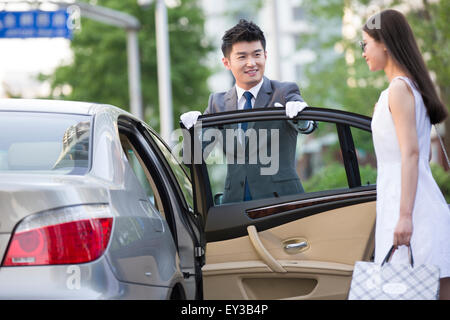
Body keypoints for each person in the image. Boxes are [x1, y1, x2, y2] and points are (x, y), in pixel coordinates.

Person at [361, 9, 450, 299]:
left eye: (365, 44)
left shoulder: (399, 90)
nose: (363, 52)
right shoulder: (406, 88)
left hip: (412, 211)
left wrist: (404, 217)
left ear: (384, 43)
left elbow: (411, 154)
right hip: (416, 205)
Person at [181, 19, 313, 203]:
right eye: (242, 57)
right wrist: (191, 132)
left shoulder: (284, 92)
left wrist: (301, 117)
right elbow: (192, 159)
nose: (251, 63)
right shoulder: (217, 103)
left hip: (283, 204)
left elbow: (307, 125)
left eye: (257, 54)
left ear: (265, 55)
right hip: (234, 207)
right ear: (226, 62)